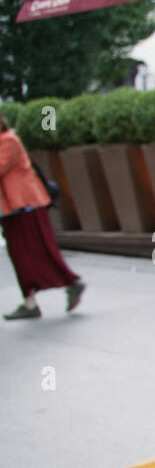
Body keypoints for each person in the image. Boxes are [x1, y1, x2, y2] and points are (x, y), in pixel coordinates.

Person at [0, 113, 84, 320]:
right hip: (12, 208)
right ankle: (30, 302)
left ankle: (71, 282)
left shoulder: (8, 139)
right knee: (19, 255)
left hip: (26, 205)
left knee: (39, 251)